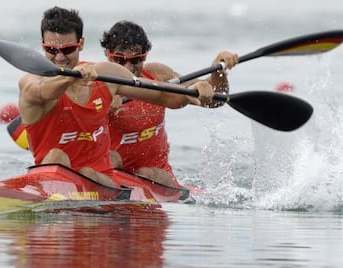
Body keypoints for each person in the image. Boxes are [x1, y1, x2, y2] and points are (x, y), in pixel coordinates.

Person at [18, 6, 217, 188]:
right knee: (56, 156)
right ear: (42, 46)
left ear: (81, 44)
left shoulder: (106, 75)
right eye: (52, 50)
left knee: (87, 172)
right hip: (54, 176)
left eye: (68, 49)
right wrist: (70, 79)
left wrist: (193, 90)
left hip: (101, 182)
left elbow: (165, 97)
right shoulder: (30, 82)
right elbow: (43, 92)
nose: (60, 57)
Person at [101, 21, 238, 187]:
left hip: (157, 177)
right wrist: (100, 102)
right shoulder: (97, 81)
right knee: (112, 158)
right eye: (120, 59)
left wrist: (218, 74)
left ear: (145, 56)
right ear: (107, 55)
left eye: (136, 59)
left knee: (147, 173)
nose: (128, 68)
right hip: (112, 173)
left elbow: (215, 99)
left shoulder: (159, 75)